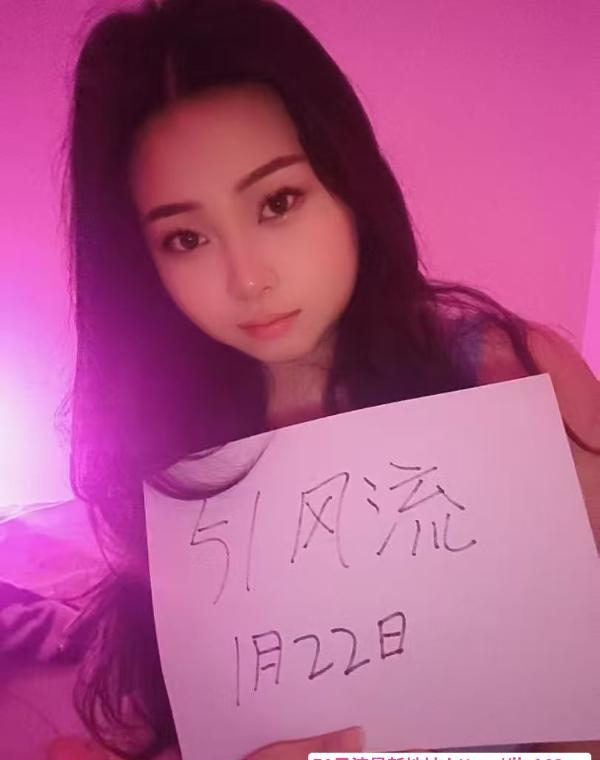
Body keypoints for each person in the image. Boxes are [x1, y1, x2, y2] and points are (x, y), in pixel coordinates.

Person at [50, 0, 600, 757]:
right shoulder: (157, 451)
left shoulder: (513, 376)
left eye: (278, 202)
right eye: (186, 237)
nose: (248, 280)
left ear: (349, 182)